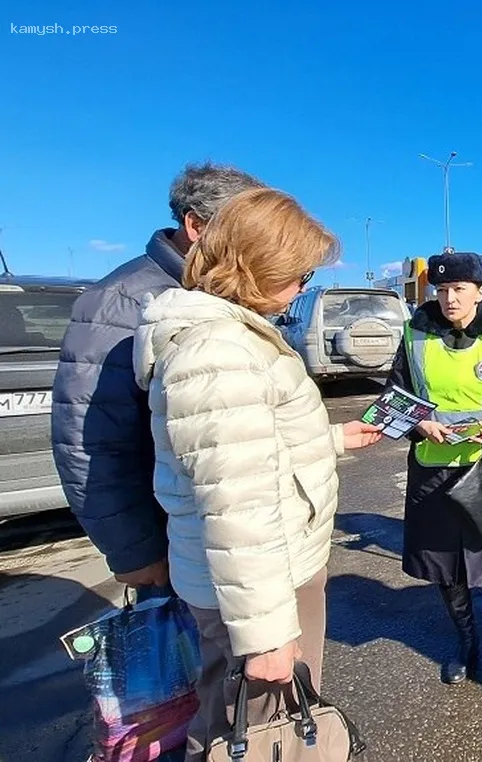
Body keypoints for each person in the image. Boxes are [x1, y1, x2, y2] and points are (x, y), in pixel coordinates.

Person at [132, 187, 383, 759]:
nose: (300, 288)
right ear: (256, 266)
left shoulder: (228, 339)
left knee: (254, 722)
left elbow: (248, 450)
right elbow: (236, 503)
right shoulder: (219, 351)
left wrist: (331, 439)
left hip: (259, 581)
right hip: (257, 593)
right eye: (298, 275)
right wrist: (265, 634)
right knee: (257, 733)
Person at [52, 161, 265, 595]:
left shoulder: (219, 292)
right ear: (196, 226)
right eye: (243, 232)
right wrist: (134, 550)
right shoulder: (120, 304)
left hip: (227, 529)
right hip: (172, 537)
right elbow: (90, 443)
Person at [386, 250, 482, 685]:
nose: (449, 298)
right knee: (445, 564)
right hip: (431, 470)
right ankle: (467, 642)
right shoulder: (414, 335)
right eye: (442, 290)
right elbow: (393, 397)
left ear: (479, 292)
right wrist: (420, 425)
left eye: (459, 289)